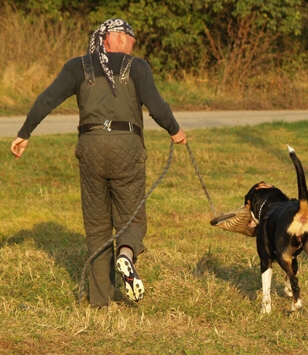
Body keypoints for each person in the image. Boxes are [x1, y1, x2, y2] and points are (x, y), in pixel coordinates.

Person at [10, 18, 187, 307]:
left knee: (96, 225)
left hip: (89, 146)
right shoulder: (137, 67)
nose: (133, 46)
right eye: (132, 39)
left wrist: (24, 132)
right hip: (126, 146)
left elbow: (47, 99)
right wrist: (175, 130)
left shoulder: (77, 66)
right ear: (116, 37)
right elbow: (156, 106)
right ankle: (126, 255)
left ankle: (99, 300)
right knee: (132, 217)